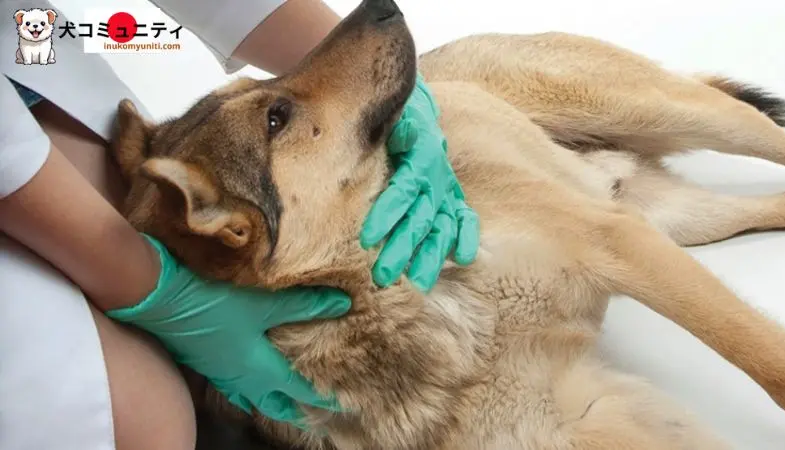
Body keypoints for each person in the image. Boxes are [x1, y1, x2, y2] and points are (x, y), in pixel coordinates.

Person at [0, 0, 480, 449]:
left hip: (20, 43)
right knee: (144, 421)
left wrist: (372, 73)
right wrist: (150, 291)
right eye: (276, 120)